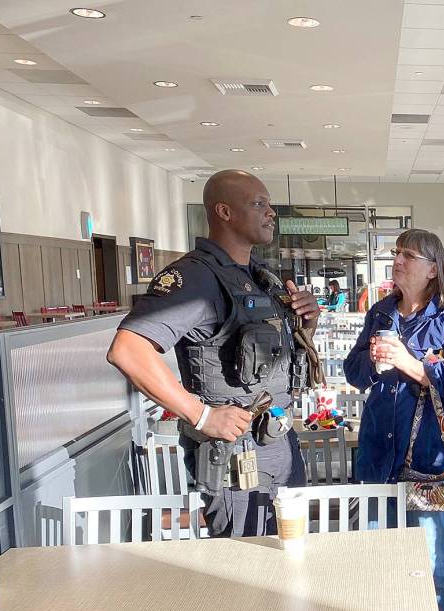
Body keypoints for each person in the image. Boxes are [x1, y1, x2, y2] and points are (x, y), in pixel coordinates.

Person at [106, 169, 319, 538]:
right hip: (238, 459)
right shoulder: (196, 279)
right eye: (258, 204)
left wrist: (306, 324)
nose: (270, 213)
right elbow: (128, 349)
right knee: (250, 571)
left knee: (288, 560)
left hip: (279, 440)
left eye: (269, 204)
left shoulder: (258, 276)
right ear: (224, 212)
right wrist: (201, 415)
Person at [344, 229, 444, 611]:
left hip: (428, 457)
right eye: (396, 254)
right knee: (380, 545)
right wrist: (373, 360)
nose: (398, 261)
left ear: (433, 268)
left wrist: (412, 365)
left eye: (408, 255)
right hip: (377, 451)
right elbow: (354, 372)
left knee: (431, 548)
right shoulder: (381, 311)